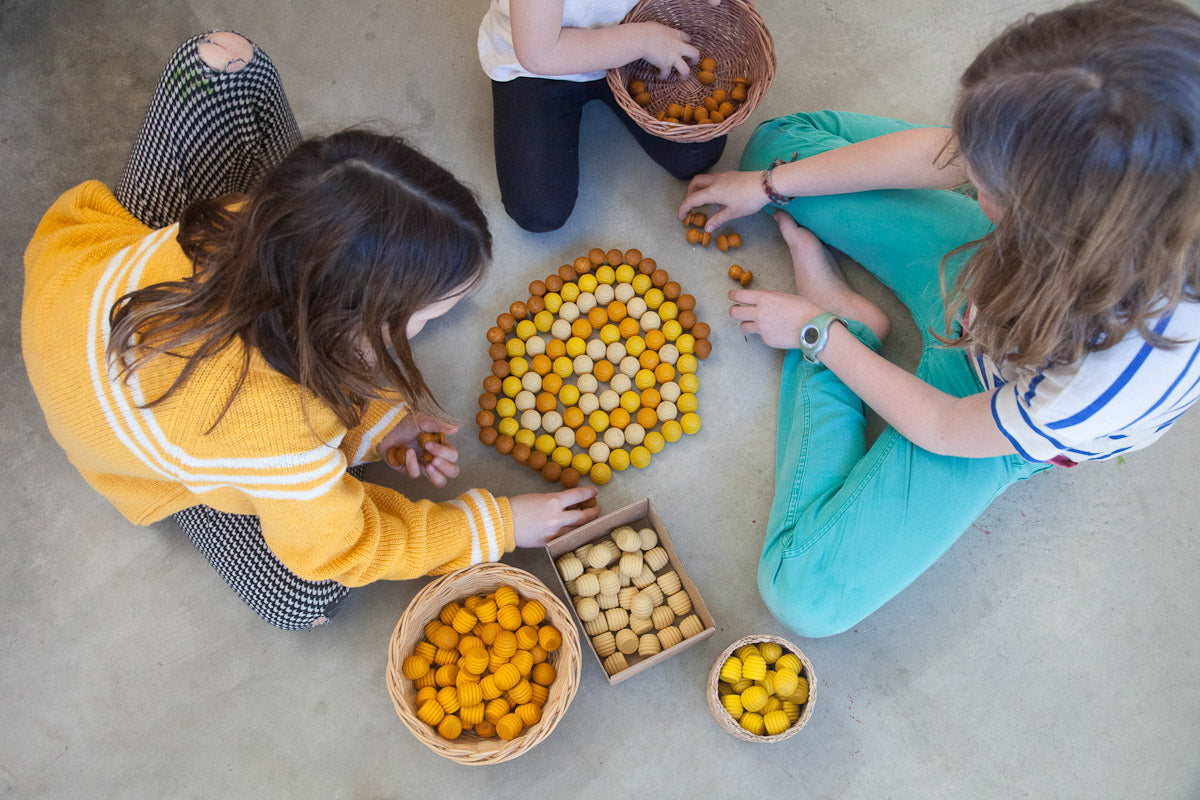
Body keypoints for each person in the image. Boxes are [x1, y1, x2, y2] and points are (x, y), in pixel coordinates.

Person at [22, 32, 599, 631]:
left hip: (80, 282)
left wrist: (377, 422)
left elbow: (312, 344)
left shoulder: (264, 222)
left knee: (230, 63)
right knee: (305, 601)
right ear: (349, 322)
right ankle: (197, 490)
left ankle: (212, 69)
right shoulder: (280, 433)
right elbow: (343, 549)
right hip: (125, 442)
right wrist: (495, 524)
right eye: (427, 315)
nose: (437, 324)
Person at [678, 0, 1200, 638]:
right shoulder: (1121, 170)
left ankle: (847, 316)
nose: (969, 182)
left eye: (988, 188)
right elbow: (943, 156)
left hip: (987, 403)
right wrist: (768, 186)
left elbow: (945, 427)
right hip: (984, 270)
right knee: (778, 150)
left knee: (803, 591)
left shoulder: (1109, 379)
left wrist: (822, 336)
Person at [479, 0, 728, 232]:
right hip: (543, 66)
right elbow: (539, 54)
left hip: (636, 34)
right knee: (539, 208)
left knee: (696, 155)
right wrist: (643, 41)